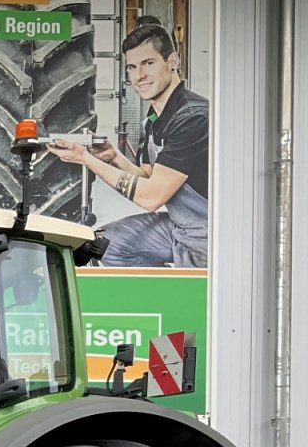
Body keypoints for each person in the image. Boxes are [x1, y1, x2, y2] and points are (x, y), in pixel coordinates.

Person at [47, 18, 209, 268]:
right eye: (132, 67)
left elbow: (151, 197)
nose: (139, 76)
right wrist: (114, 158)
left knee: (195, 296)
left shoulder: (193, 118)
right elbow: (148, 175)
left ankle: (173, 299)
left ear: (173, 62)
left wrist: (84, 159)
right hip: (179, 226)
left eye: (148, 63)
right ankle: (151, 303)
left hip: (208, 234)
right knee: (104, 246)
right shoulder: (156, 117)